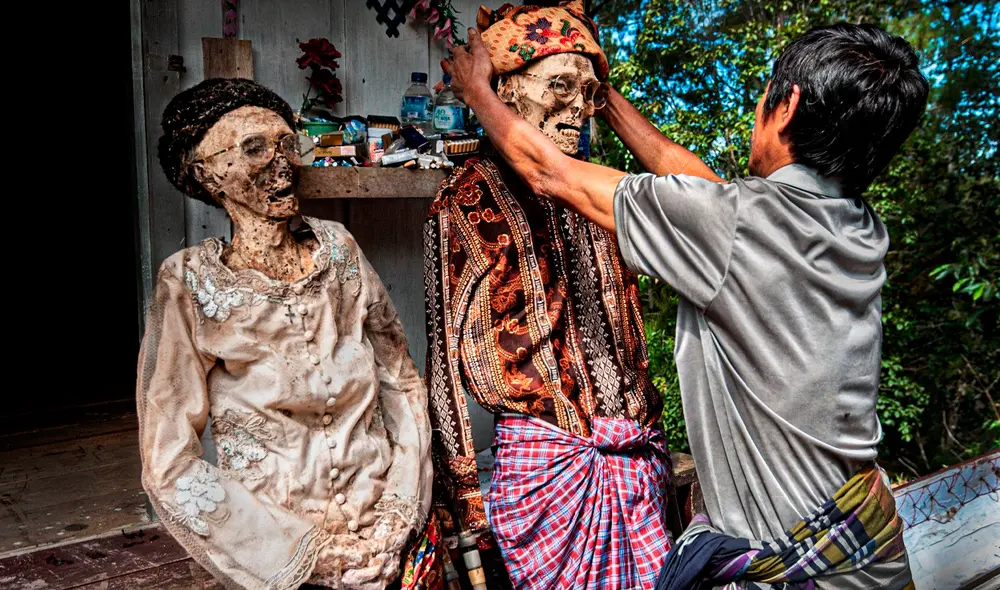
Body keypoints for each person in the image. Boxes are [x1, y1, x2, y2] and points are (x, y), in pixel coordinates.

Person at [443, 16, 928, 589]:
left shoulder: (736, 228)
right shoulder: (852, 227)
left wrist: (475, 90)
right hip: (870, 549)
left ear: (787, 104)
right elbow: (701, 186)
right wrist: (605, 98)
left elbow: (551, 172)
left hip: (800, 576)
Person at [138, 78, 439, 590]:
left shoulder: (338, 248)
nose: (282, 163)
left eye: (286, 144)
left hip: (386, 532)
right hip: (280, 556)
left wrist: (400, 513)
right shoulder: (189, 281)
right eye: (254, 148)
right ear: (205, 173)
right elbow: (169, 462)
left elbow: (401, 383)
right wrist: (308, 556)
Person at [424, 3, 672, 588]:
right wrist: (464, 501)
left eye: (588, 93)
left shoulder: (601, 194)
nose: (578, 109)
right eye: (559, 86)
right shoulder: (465, 200)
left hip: (637, 458)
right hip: (548, 474)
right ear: (507, 91)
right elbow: (444, 365)